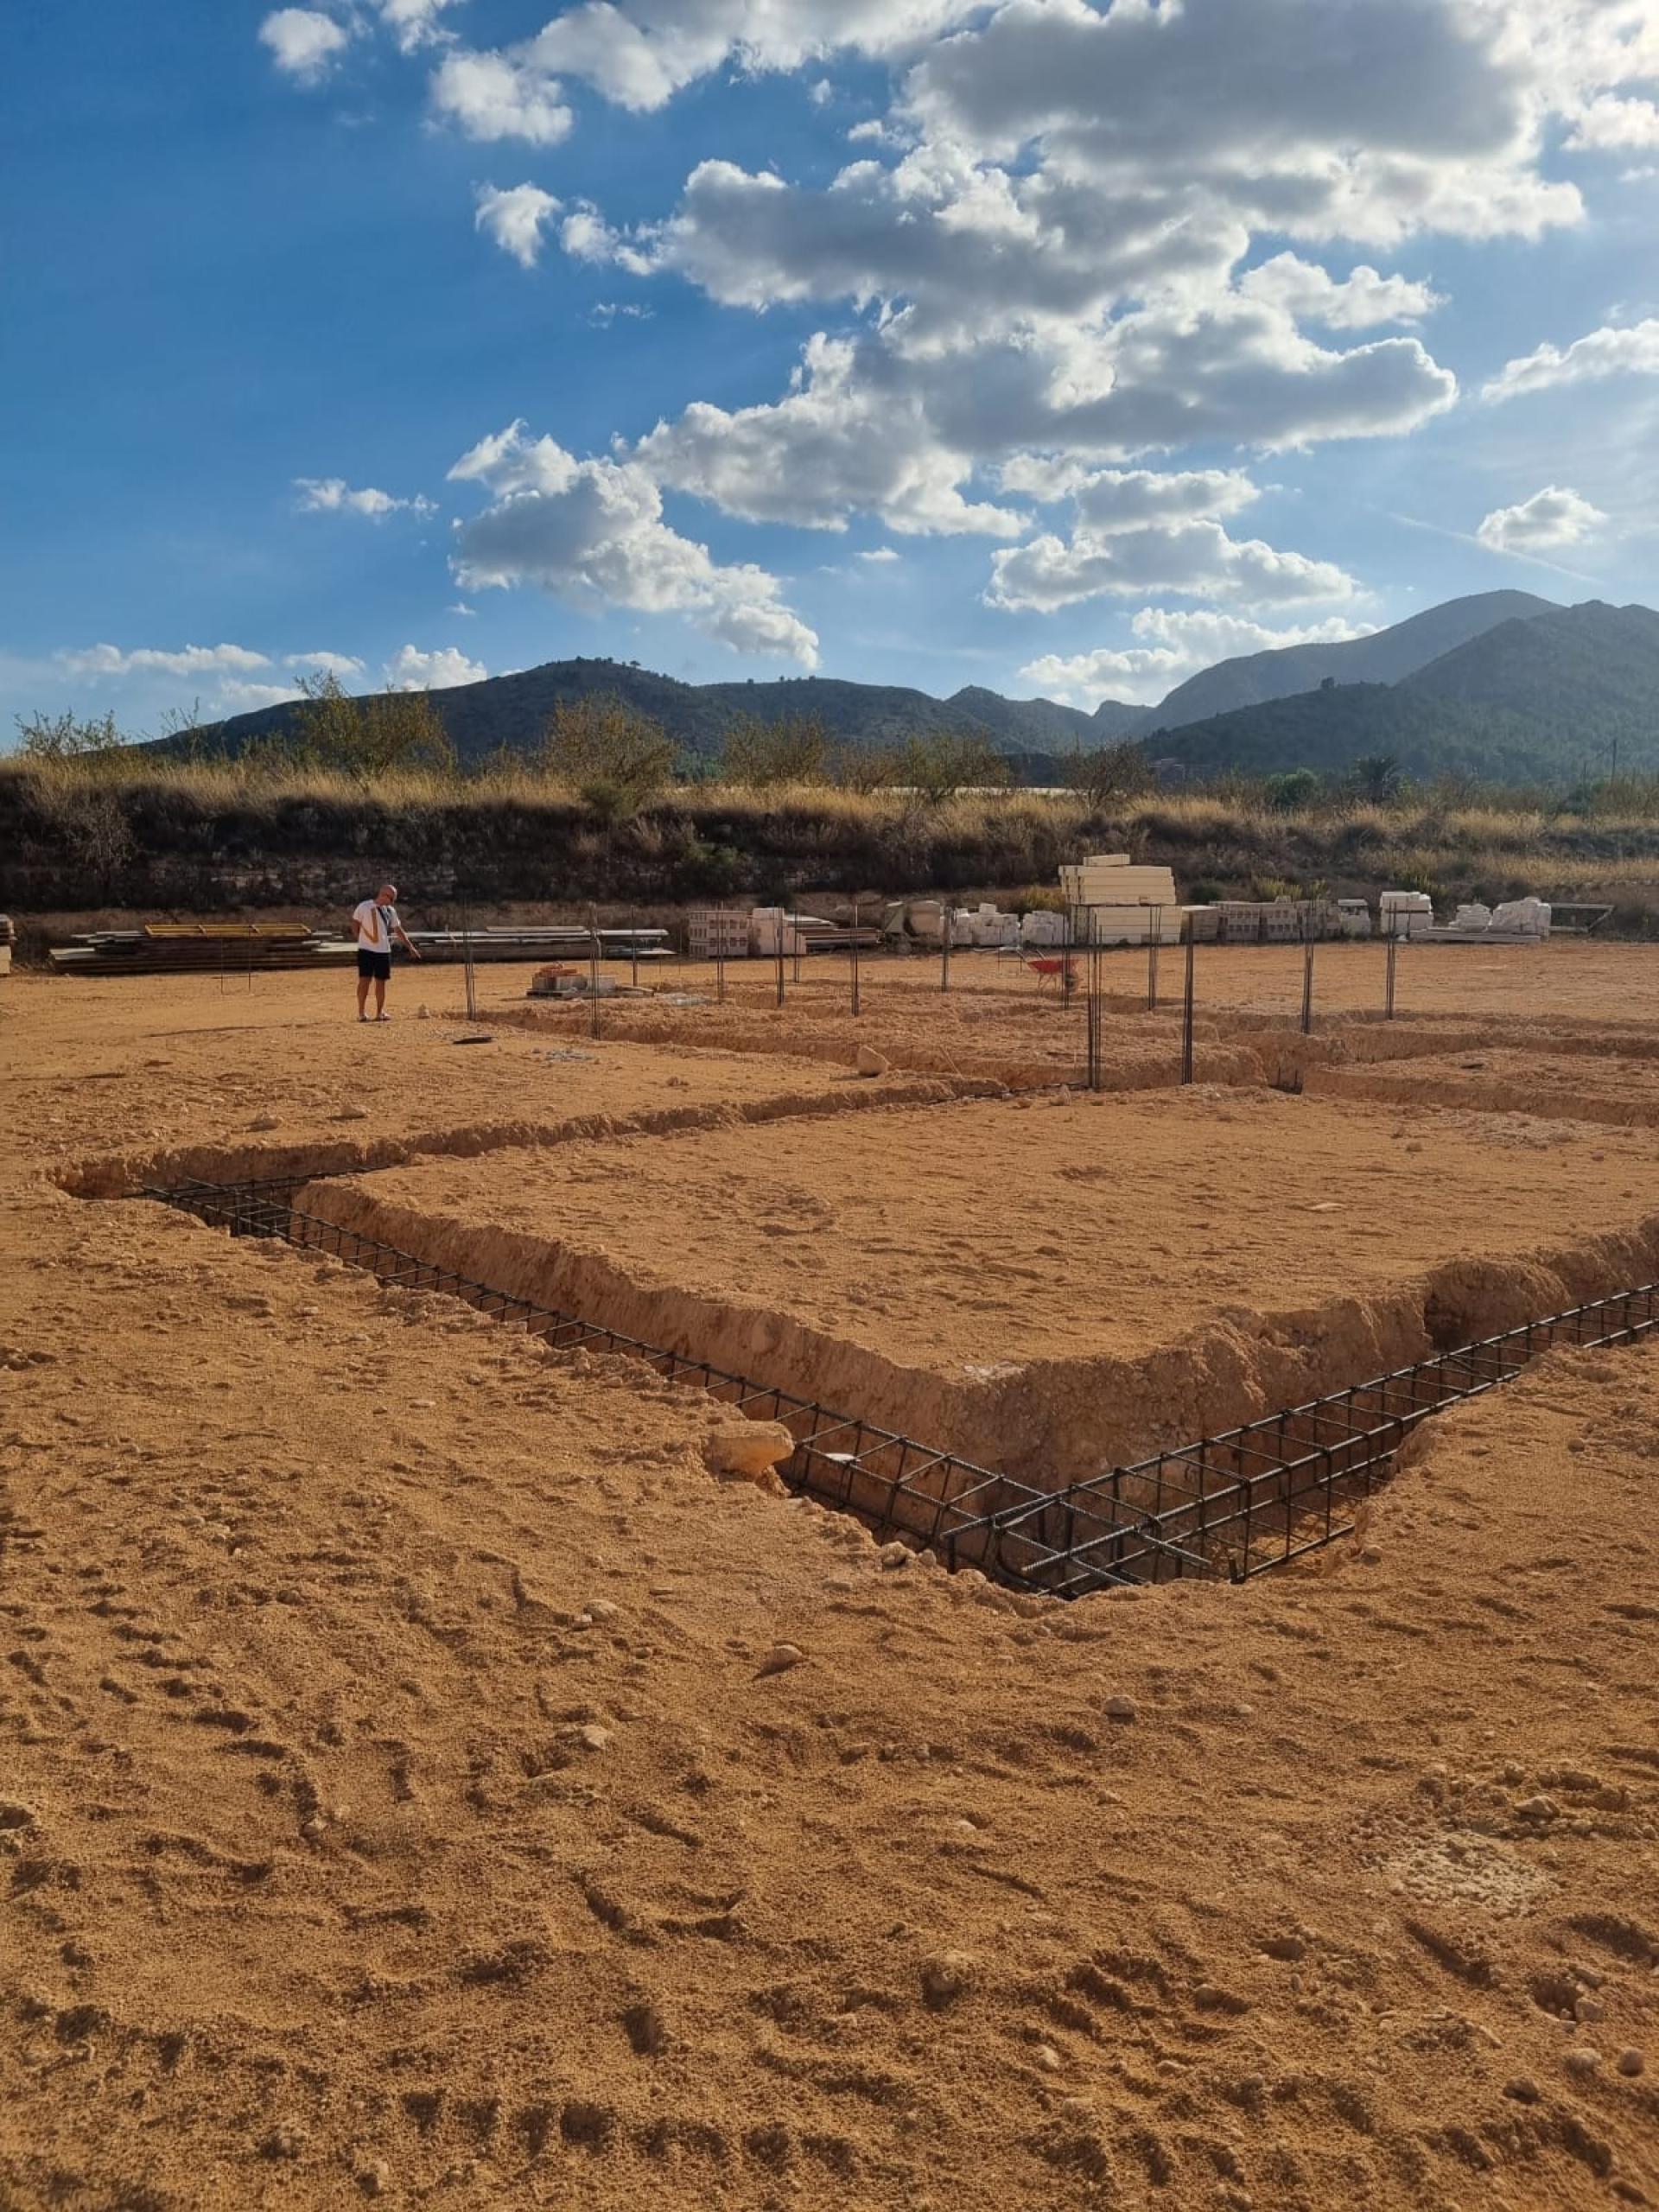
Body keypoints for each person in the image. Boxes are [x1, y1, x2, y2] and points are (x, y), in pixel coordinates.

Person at [351, 882, 420, 1021]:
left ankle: (380, 1012)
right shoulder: (364, 906)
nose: (393, 902)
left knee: (381, 982)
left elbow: (398, 930)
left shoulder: (390, 911)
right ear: (383, 895)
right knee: (365, 980)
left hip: (383, 951)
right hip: (366, 950)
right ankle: (361, 1013)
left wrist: (410, 946)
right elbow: (355, 925)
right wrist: (362, 941)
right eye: (392, 898)